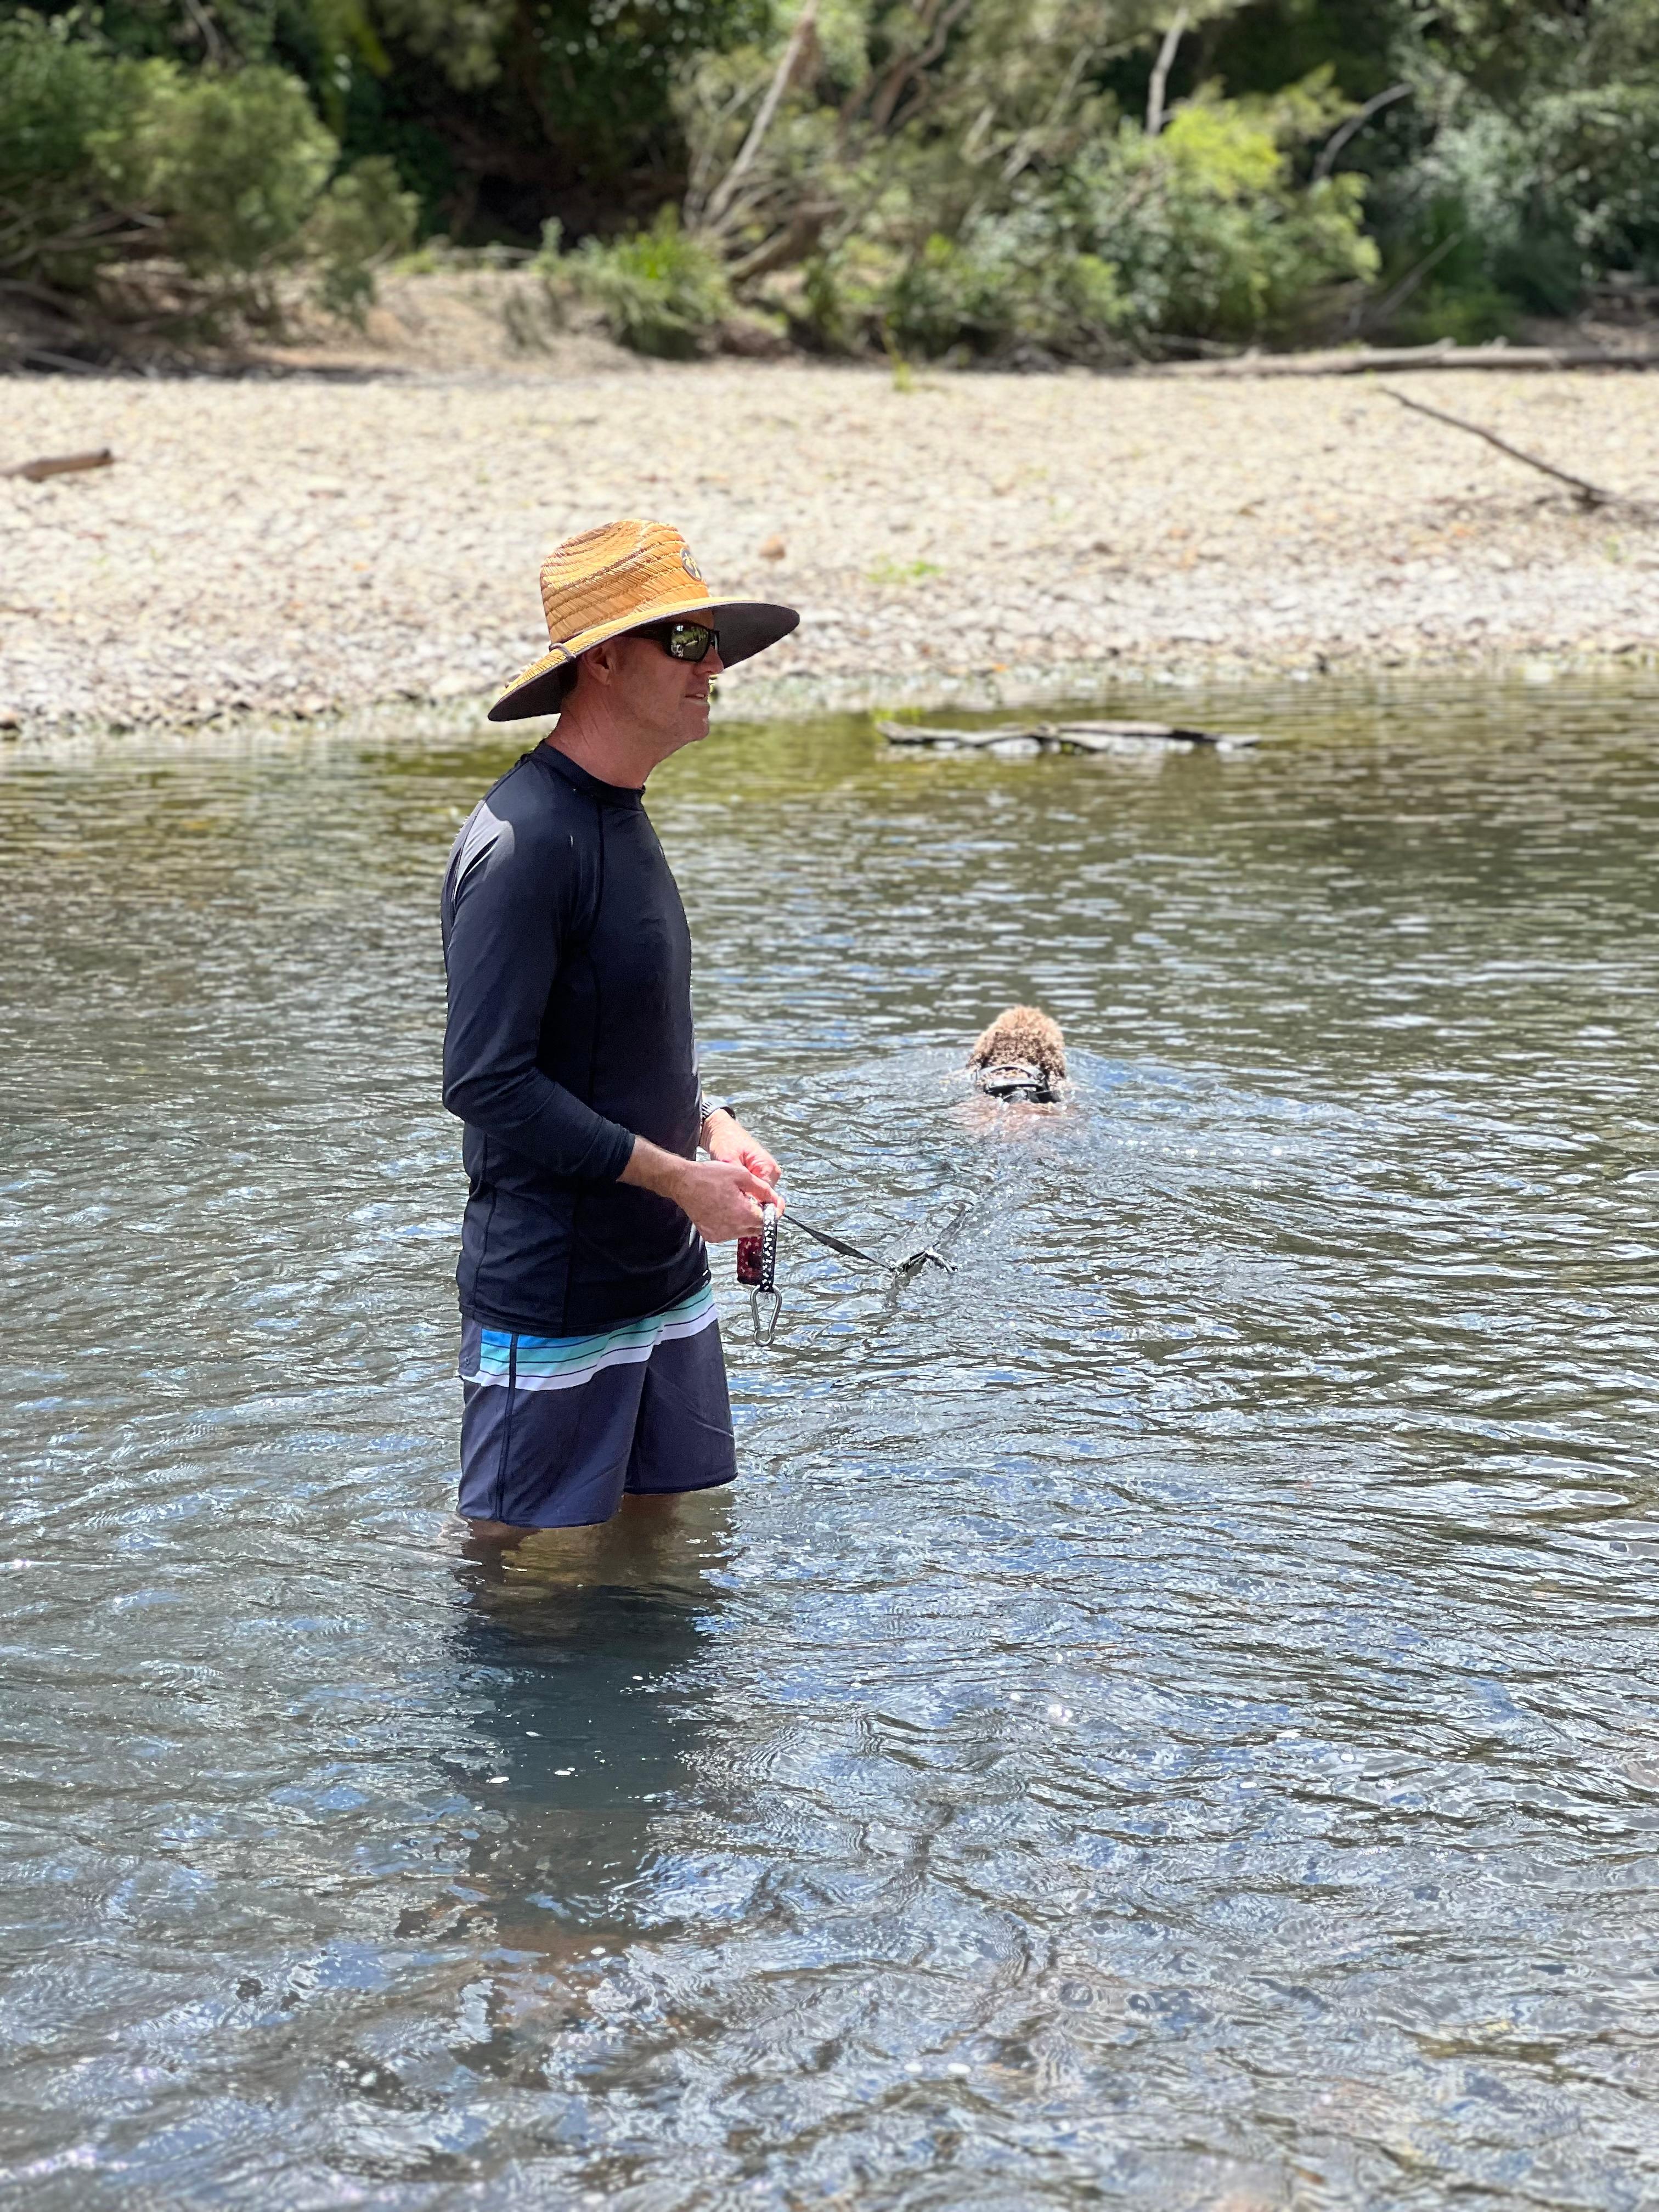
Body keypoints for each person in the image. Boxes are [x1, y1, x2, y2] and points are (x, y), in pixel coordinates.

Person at [441, 518, 799, 1541]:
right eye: (686, 641)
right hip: (553, 1299)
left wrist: (710, 1125)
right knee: (520, 1588)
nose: (716, 663)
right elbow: (488, 1085)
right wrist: (682, 1182)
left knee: (667, 1557)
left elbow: (612, 1030)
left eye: (712, 641)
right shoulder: (523, 845)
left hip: (664, 1281)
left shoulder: (620, 811)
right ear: (603, 661)